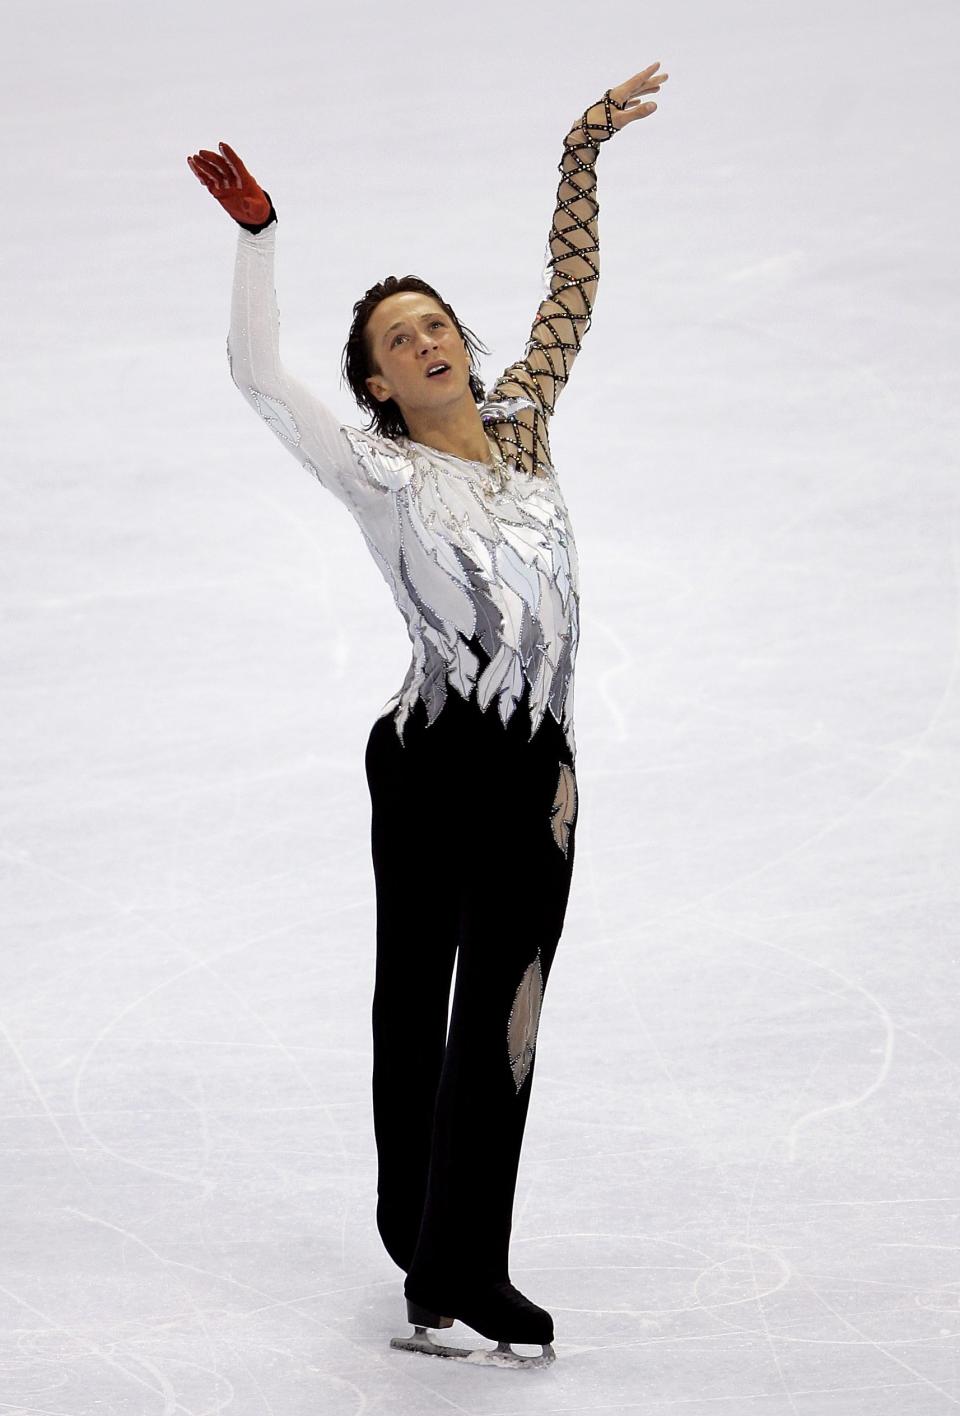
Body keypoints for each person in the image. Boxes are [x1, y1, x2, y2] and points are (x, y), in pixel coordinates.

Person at [187, 59, 668, 1369]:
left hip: (537, 774)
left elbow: (571, 293)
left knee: (503, 1014)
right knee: (418, 1002)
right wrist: (258, 238)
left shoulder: (524, 428)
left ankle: (464, 1266)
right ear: (382, 386)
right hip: (428, 763)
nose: (425, 337)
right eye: (396, 338)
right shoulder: (376, 470)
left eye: (433, 319)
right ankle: (420, 1229)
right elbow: (254, 372)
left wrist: (582, 151)